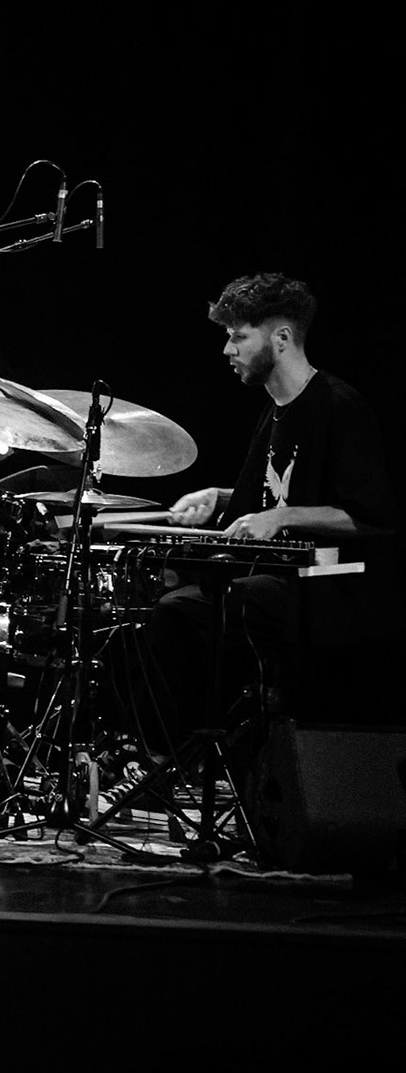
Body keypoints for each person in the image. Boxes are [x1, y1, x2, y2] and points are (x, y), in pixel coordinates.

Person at [147, 272, 399, 745]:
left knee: (180, 613)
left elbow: (370, 517)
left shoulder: (339, 406)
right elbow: (272, 496)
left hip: (326, 589)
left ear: (281, 338)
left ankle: (176, 757)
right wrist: (219, 498)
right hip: (275, 580)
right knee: (164, 593)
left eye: (239, 336)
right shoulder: (276, 409)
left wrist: (283, 517)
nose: (228, 350)